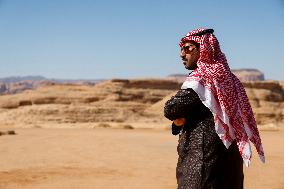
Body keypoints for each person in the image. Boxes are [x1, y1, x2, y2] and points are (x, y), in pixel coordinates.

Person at [164, 28, 265, 189]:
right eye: (181, 49)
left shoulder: (200, 80)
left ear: (204, 49)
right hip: (230, 165)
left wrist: (179, 120)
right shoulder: (231, 80)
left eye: (188, 48)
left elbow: (171, 109)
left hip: (202, 165)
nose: (182, 54)